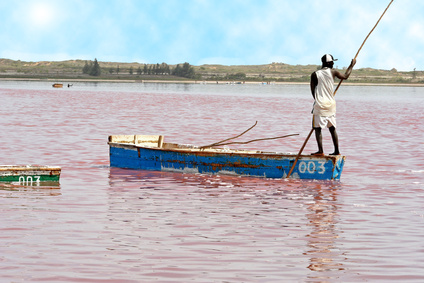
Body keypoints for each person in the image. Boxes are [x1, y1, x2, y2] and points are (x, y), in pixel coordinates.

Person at [310, 54, 356, 156]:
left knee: (317, 128)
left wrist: (317, 100)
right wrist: (351, 66)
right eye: (332, 62)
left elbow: (313, 91)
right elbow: (345, 76)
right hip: (331, 104)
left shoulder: (314, 74)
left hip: (320, 105)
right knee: (332, 128)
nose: (333, 63)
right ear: (329, 63)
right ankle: (337, 151)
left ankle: (320, 151)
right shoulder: (333, 72)